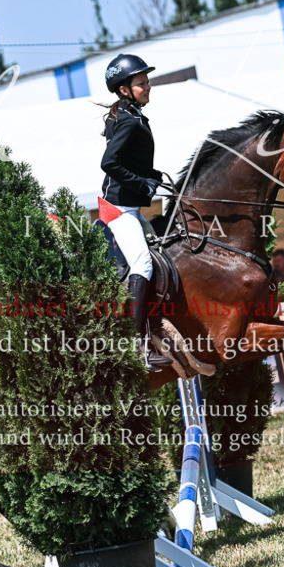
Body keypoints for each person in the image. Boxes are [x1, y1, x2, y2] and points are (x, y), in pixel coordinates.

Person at [99, 53, 170, 372]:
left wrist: (153, 176)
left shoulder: (133, 115)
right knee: (142, 262)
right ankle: (136, 344)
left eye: (147, 81)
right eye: (141, 83)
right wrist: (143, 183)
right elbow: (109, 163)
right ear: (124, 89)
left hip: (127, 205)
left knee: (165, 253)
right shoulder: (127, 120)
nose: (148, 87)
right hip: (118, 208)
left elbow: (130, 163)